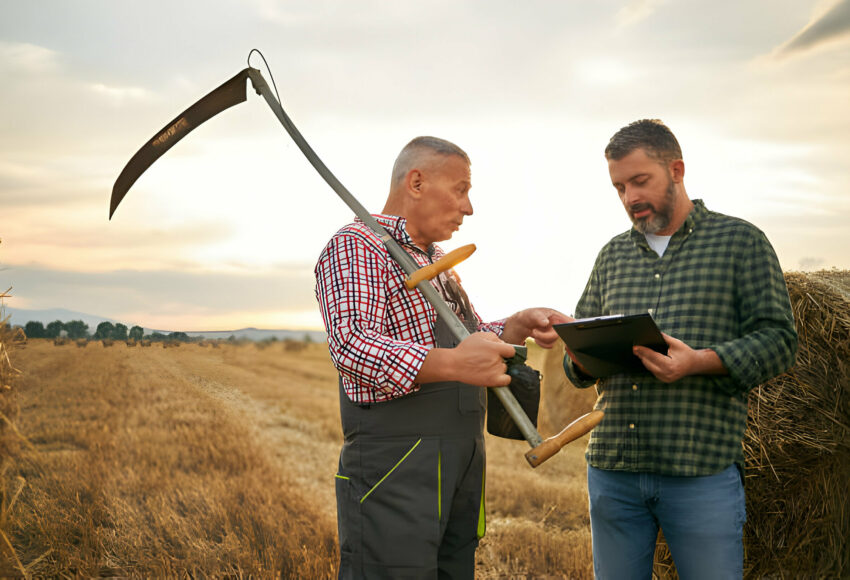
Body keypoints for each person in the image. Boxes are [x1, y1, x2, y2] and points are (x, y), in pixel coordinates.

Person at [315, 136, 567, 579]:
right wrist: (453, 366)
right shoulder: (359, 246)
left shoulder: (435, 260)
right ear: (416, 182)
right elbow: (352, 344)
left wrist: (513, 325)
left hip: (461, 458)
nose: (468, 207)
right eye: (461, 189)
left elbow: (463, 339)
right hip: (397, 463)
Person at [563, 119, 797, 579]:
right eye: (619, 187)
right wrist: (578, 357)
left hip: (699, 471)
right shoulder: (612, 255)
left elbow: (779, 340)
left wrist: (699, 363)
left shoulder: (740, 242)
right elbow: (579, 366)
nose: (630, 197)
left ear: (677, 169)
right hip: (613, 469)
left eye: (640, 181)